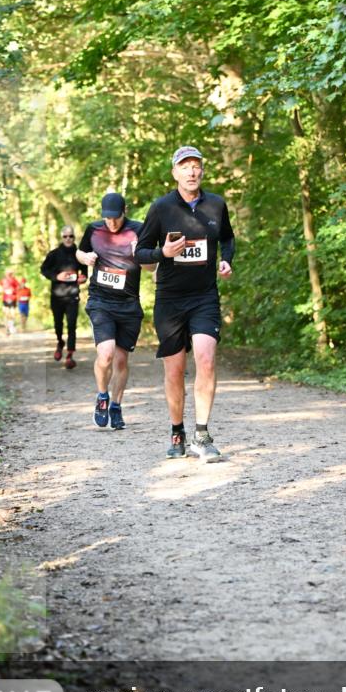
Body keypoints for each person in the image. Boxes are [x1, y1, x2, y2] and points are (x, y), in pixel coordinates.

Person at [135, 145, 235, 461]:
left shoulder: (216, 205)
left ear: (202, 171)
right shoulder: (161, 208)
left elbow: (228, 238)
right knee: (175, 371)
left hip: (204, 297)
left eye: (196, 166)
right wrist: (162, 254)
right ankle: (177, 430)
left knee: (206, 359)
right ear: (175, 172)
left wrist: (226, 260)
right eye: (185, 166)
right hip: (170, 300)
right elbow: (140, 252)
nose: (191, 171)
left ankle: (202, 435)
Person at [77, 192, 154, 430]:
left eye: (116, 218)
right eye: (107, 218)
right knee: (106, 354)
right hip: (101, 301)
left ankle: (116, 405)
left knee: (121, 360)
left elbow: (152, 267)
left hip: (129, 304)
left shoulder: (140, 230)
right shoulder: (94, 229)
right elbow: (79, 252)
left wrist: (139, 253)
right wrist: (86, 257)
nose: (111, 223)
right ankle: (102, 397)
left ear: (125, 211)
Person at [40, 227, 86, 369]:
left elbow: (85, 273)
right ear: (62, 237)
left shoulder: (79, 255)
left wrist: (82, 278)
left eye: (71, 236)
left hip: (72, 295)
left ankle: (70, 355)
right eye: (65, 236)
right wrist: (56, 276)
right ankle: (60, 342)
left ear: (74, 237)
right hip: (57, 295)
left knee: (72, 325)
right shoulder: (54, 254)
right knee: (58, 324)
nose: (68, 239)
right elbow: (43, 269)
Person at [0, 269, 19, 334]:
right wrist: (3, 290)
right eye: (8, 273)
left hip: (13, 298)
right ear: (6, 274)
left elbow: (19, 287)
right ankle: (7, 327)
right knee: (6, 314)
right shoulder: (3, 280)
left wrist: (13, 290)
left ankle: (11, 326)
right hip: (5, 299)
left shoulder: (14, 280)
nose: (9, 274)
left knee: (13, 313)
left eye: (10, 273)